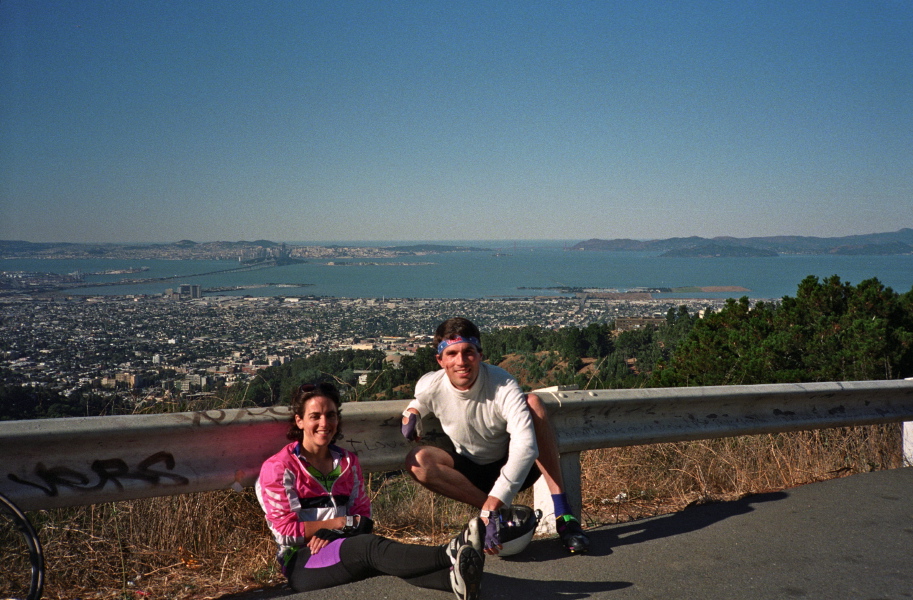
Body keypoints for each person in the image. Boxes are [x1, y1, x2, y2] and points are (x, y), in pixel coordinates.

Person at [257, 382, 485, 600]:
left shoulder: (347, 462)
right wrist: (337, 524)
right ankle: (448, 553)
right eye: (314, 416)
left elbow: (364, 520)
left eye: (331, 415)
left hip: (344, 547)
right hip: (302, 561)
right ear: (299, 421)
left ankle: (453, 579)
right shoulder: (280, 467)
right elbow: (285, 532)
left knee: (384, 562)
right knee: (369, 548)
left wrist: (339, 530)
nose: (324, 423)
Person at [401, 317, 590, 555]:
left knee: (533, 402)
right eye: (452, 354)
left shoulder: (502, 383)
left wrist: (496, 498)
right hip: (471, 472)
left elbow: (525, 447)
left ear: (480, 354)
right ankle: (498, 516)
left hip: (513, 465)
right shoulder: (430, 384)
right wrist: (412, 413)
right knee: (416, 461)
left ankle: (564, 515)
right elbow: (421, 399)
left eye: (468, 352)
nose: (461, 361)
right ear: (440, 360)